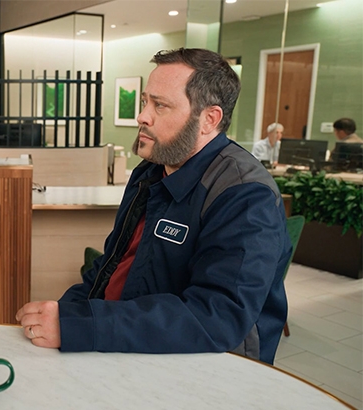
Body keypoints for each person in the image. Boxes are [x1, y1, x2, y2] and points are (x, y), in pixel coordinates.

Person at [16, 48, 291, 365]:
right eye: (145, 101)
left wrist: (84, 324)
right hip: (126, 346)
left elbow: (217, 318)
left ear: (209, 119)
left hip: (199, 368)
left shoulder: (244, 196)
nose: (142, 116)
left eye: (159, 105)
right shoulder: (150, 172)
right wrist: (68, 312)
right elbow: (113, 263)